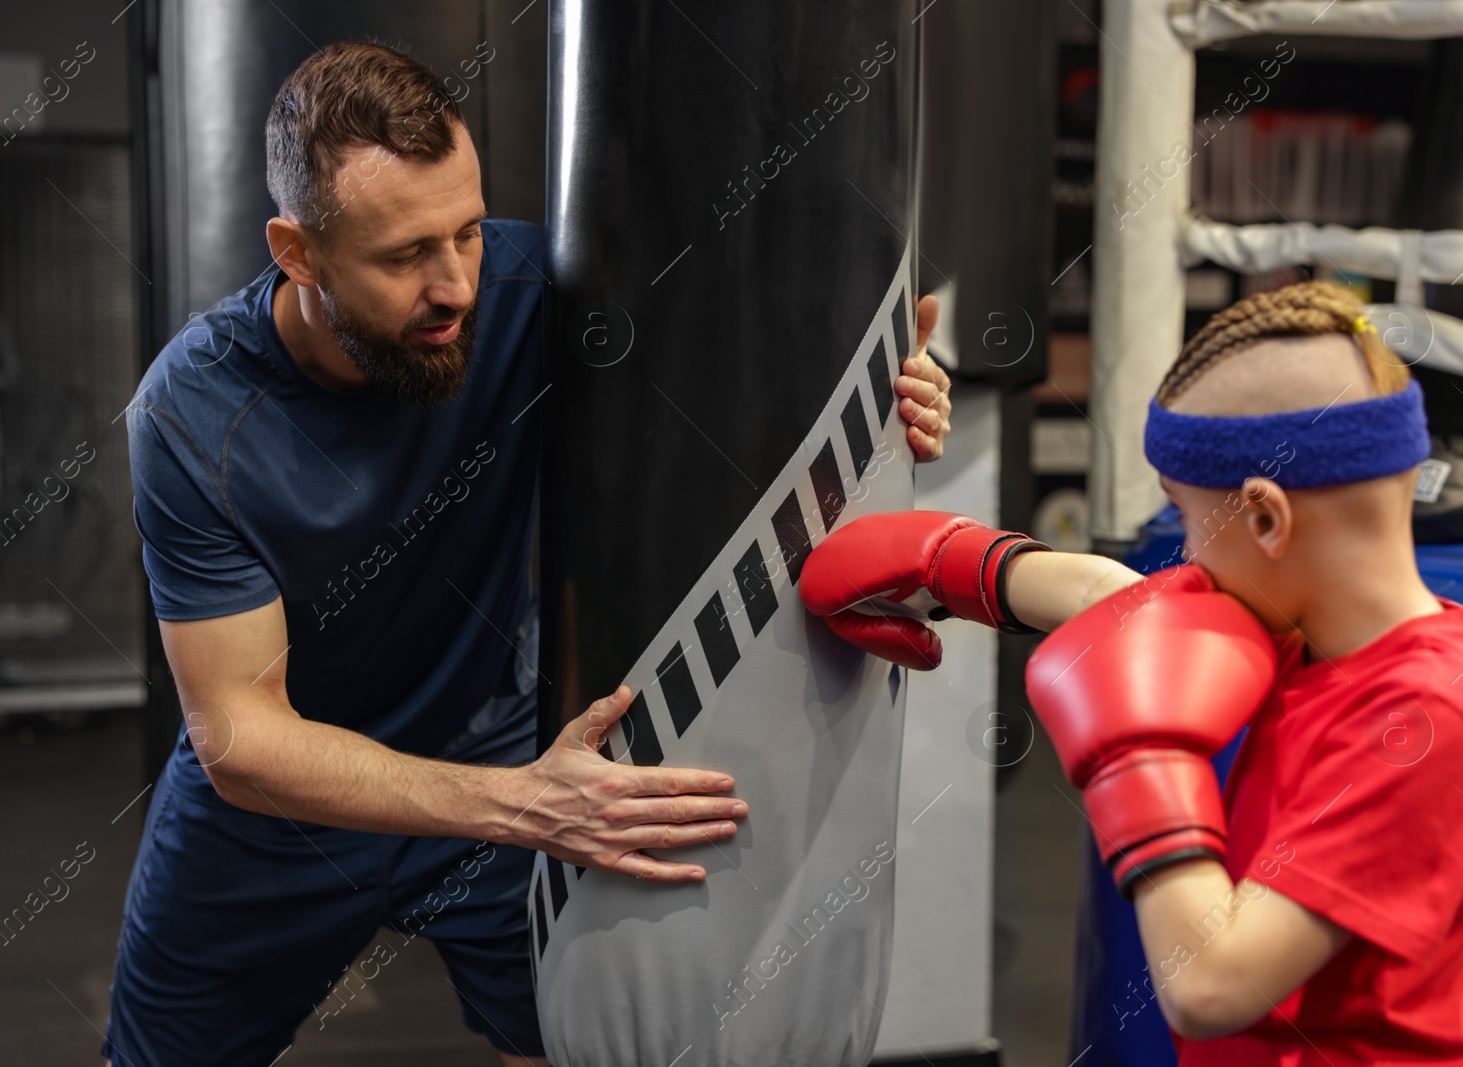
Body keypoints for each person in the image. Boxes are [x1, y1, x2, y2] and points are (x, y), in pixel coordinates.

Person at [107, 41, 953, 1067]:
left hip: (484, 749)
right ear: (295, 250)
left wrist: (878, 393)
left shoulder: (529, 294)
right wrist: (520, 804)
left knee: (579, 1044)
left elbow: (722, 377)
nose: (454, 282)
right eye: (404, 253)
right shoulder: (193, 411)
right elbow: (240, 734)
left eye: (465, 229)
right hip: (284, 810)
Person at [800, 281, 1463, 1065]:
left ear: (1264, 518)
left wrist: (1141, 760)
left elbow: (1212, 985)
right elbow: (1129, 602)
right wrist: (950, 563)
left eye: (1187, 518)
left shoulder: (1429, 721)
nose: (1185, 552)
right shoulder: (1312, 627)